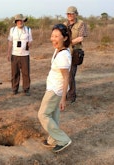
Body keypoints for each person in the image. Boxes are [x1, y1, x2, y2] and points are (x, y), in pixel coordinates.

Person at [38, 24, 72, 153]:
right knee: (53, 114)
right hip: (53, 87)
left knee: (43, 114)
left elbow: (66, 78)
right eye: (52, 35)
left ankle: (63, 139)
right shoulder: (59, 49)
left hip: (55, 90)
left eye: (57, 36)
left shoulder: (63, 55)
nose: (53, 38)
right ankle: (53, 140)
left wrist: (63, 98)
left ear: (64, 38)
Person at [64, 6, 87, 103]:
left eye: (72, 13)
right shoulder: (64, 24)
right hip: (65, 52)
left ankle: (71, 96)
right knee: (63, 74)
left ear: (76, 14)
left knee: (70, 75)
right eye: (68, 14)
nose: (70, 15)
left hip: (75, 52)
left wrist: (69, 43)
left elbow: (80, 38)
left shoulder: (81, 24)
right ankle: (63, 95)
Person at [7, 14, 33, 96]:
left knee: (26, 73)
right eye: (18, 21)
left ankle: (26, 89)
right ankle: (14, 89)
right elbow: (10, 42)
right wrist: (8, 53)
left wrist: (29, 44)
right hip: (15, 54)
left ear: (23, 21)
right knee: (15, 73)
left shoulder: (28, 29)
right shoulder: (12, 30)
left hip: (25, 54)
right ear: (16, 22)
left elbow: (31, 41)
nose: (20, 22)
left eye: (21, 20)